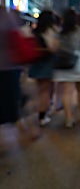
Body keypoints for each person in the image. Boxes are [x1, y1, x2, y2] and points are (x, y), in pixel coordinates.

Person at [53, 9, 80, 128]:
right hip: (79, 61)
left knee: (66, 92)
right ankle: (79, 111)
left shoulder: (60, 32)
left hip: (64, 63)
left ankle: (68, 118)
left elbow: (54, 48)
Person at [0, 7, 39, 140]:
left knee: (13, 102)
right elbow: (19, 40)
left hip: (9, 68)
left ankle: (27, 130)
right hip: (9, 67)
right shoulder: (7, 17)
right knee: (15, 101)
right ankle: (29, 131)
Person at [28, 10, 59, 126]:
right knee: (45, 91)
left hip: (36, 63)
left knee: (41, 90)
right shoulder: (50, 31)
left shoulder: (35, 31)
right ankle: (42, 116)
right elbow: (52, 48)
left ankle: (42, 112)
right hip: (47, 63)